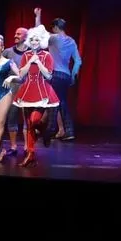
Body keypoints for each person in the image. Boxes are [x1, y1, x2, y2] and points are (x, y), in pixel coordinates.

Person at [5, 24, 59, 168]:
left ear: (41, 41)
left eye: (37, 40)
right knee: (28, 124)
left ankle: (45, 132)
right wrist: (30, 61)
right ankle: (30, 154)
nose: (34, 42)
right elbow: (21, 74)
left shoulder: (47, 55)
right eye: (32, 40)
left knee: (35, 120)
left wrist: (38, 62)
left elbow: (49, 75)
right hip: (27, 90)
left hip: (42, 91)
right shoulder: (26, 55)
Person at [35, 8, 81, 141]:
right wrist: (73, 75)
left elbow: (38, 31)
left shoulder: (53, 38)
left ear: (55, 27)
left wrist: (38, 16)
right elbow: (78, 61)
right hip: (66, 76)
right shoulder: (71, 41)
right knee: (61, 102)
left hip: (54, 74)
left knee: (52, 103)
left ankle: (50, 130)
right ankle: (67, 131)